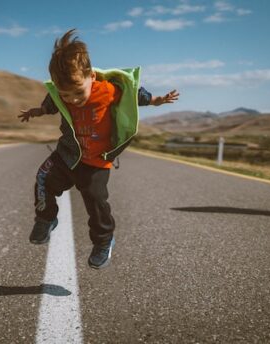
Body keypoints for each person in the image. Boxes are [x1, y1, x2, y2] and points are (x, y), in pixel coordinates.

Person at [18, 29, 179, 269]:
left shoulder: (108, 90)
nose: (71, 99)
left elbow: (132, 92)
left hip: (95, 162)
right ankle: (45, 218)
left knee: (96, 204)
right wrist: (37, 111)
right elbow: (52, 101)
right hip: (67, 154)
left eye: (77, 92)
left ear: (91, 76)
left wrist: (155, 100)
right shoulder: (61, 95)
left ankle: (103, 242)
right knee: (43, 179)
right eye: (65, 94)